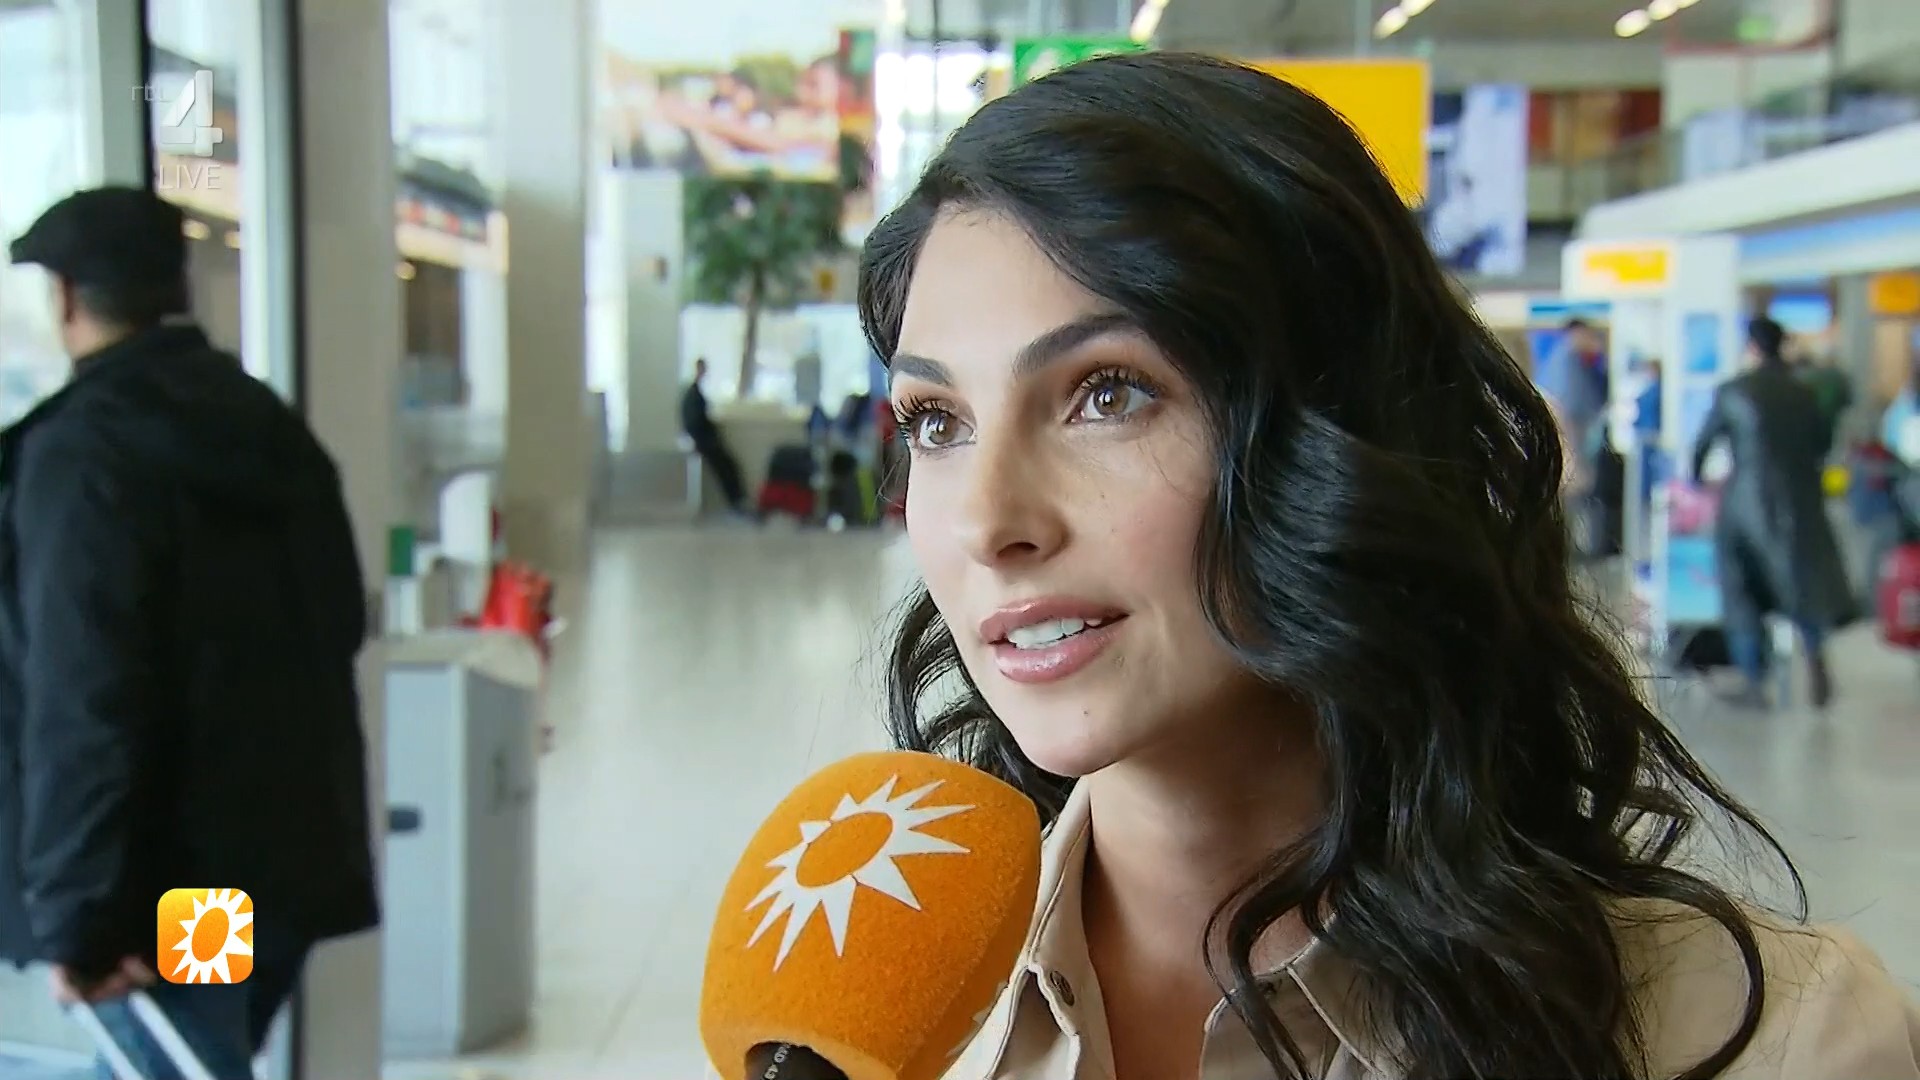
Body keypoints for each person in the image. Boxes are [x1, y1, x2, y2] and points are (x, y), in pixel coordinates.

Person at [860, 54, 1919, 1080]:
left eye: (1108, 394)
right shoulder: (871, 1025)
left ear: (1340, 435)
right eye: (936, 420)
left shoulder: (1779, 1044)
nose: (987, 520)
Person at [1, 187, 378, 1077]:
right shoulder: (262, 423)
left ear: (65, 298)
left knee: (176, 1063)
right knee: (197, 1057)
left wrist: (81, 920)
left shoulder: (84, 454)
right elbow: (339, 617)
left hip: (162, 882)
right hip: (272, 863)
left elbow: (86, 695)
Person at [1691, 315, 1855, 710]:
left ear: (1751, 347)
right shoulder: (1804, 393)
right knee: (1801, 583)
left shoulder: (1733, 391)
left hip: (1746, 502)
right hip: (1799, 501)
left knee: (1741, 587)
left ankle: (1753, 677)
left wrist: (1698, 480)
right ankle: (1815, 656)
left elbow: (1703, 445)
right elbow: (1822, 444)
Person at [681, 357, 749, 514]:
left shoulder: (693, 393)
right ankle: (736, 501)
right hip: (704, 440)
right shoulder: (693, 394)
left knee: (727, 465)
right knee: (726, 466)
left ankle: (737, 500)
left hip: (703, 439)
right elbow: (696, 421)